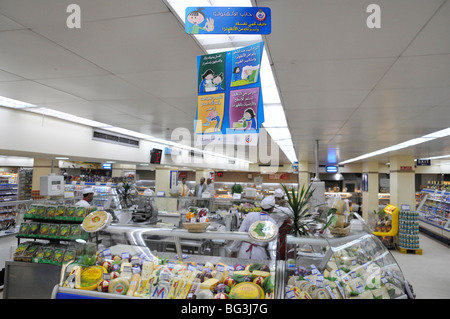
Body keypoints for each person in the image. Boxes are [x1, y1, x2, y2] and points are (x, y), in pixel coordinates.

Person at [228, 196, 277, 260]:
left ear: (261, 207)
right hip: (260, 253)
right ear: (272, 209)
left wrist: (233, 250)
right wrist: (272, 259)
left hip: (244, 251)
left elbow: (240, 234)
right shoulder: (272, 222)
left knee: (243, 269)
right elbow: (272, 244)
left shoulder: (250, 215)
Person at [272, 188, 292, 260]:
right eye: (279, 199)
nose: (281, 201)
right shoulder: (275, 208)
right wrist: (287, 204)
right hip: (279, 240)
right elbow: (291, 212)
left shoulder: (282, 207)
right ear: (275, 200)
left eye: (282, 198)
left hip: (285, 239)